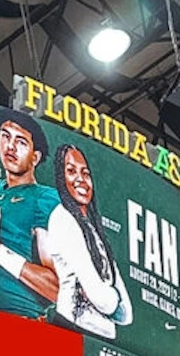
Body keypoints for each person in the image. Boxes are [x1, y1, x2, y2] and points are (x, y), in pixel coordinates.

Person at [0, 108, 60, 319]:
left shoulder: (44, 199)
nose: (10, 146)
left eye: (21, 142)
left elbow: (57, 289)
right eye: (5, 136)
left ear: (35, 157)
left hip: (27, 323)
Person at [46, 144, 132, 338]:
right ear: (61, 178)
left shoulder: (95, 228)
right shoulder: (63, 217)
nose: (80, 179)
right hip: (72, 328)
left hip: (103, 337)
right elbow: (99, 296)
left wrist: (108, 298)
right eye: (71, 171)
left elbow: (127, 314)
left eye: (85, 174)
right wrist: (110, 298)